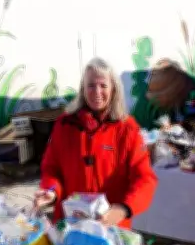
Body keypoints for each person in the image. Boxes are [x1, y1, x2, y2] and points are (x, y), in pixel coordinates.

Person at [33, 57, 158, 228]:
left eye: (103, 85)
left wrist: (123, 209)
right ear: (83, 89)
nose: (97, 92)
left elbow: (144, 178)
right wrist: (51, 190)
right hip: (70, 224)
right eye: (91, 85)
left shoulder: (127, 129)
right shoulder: (65, 124)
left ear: (113, 89)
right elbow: (51, 169)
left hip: (110, 228)